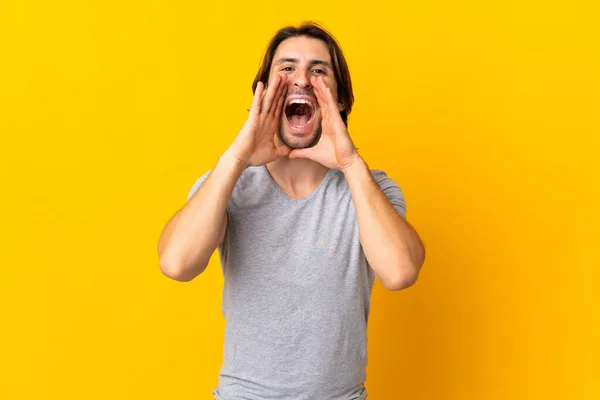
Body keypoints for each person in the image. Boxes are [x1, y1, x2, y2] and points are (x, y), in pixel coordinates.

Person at [157, 22, 426, 400]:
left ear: (341, 98)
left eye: (318, 71)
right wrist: (236, 158)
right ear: (262, 94)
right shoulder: (227, 183)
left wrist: (349, 163)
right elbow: (177, 264)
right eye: (286, 68)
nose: (301, 79)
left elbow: (400, 272)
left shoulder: (371, 188)